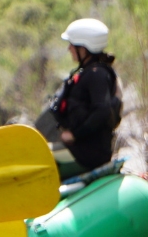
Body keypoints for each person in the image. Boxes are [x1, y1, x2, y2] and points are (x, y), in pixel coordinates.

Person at [49, 18, 122, 179]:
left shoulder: (97, 75)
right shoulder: (90, 73)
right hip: (81, 150)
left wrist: (75, 134)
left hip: (87, 155)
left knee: (38, 161)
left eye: (72, 45)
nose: (69, 49)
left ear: (84, 49)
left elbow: (102, 111)